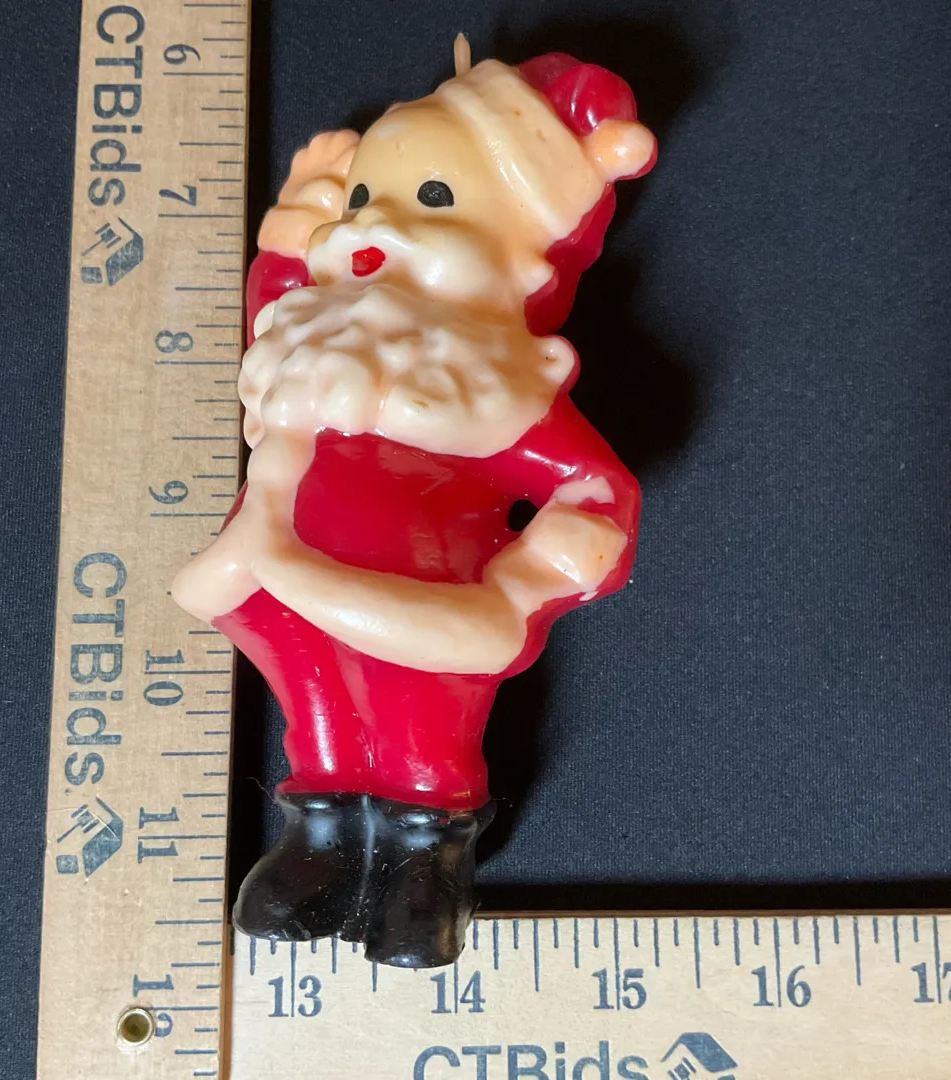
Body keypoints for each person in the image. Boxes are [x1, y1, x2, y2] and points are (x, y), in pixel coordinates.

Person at [172, 41, 655, 967]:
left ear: (520, 250)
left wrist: (538, 572)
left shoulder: (493, 385)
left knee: (420, 719)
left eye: (432, 197)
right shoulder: (323, 332)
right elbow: (278, 307)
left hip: (424, 590)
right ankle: (319, 837)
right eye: (362, 198)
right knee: (313, 699)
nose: (375, 224)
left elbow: (595, 490)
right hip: (271, 565)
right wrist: (290, 229)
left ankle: (424, 860)